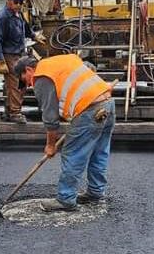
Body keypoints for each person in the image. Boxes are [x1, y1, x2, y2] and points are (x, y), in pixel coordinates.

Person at [14, 54, 116, 211]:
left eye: (25, 80)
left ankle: (66, 198)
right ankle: (96, 192)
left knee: (72, 153)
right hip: (107, 104)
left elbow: (50, 116)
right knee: (98, 151)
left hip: (90, 109)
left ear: (29, 69)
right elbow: (89, 70)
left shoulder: (41, 76)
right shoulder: (63, 60)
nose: (28, 85)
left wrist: (50, 145)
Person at [0, 0, 45, 123]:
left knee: (22, 82)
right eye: (16, 2)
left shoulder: (18, 14)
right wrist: (0, 60)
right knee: (14, 84)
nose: (19, 5)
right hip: (9, 54)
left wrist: (34, 36)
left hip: (20, 53)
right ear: (8, 1)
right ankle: (15, 112)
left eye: (21, 2)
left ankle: (11, 109)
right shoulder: (2, 17)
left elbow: (25, 28)